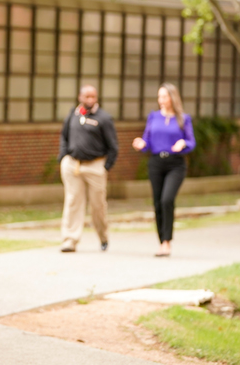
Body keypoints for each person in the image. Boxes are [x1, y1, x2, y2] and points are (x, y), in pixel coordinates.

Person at [132, 83, 196, 257]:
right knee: (158, 202)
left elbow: (191, 142)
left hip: (176, 164)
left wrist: (184, 143)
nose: (161, 100)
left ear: (172, 98)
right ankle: (162, 242)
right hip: (156, 163)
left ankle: (167, 241)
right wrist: (142, 144)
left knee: (167, 199)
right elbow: (147, 141)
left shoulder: (183, 118)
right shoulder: (153, 117)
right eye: (159, 97)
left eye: (164, 97)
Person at [57, 85, 119, 253]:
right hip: (73, 165)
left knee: (98, 205)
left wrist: (105, 167)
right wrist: (63, 157)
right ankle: (70, 240)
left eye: (93, 97)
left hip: (95, 166)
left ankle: (103, 237)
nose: (90, 100)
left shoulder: (104, 118)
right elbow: (64, 136)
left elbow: (113, 147)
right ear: (80, 97)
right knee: (73, 201)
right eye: (87, 96)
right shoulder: (73, 115)